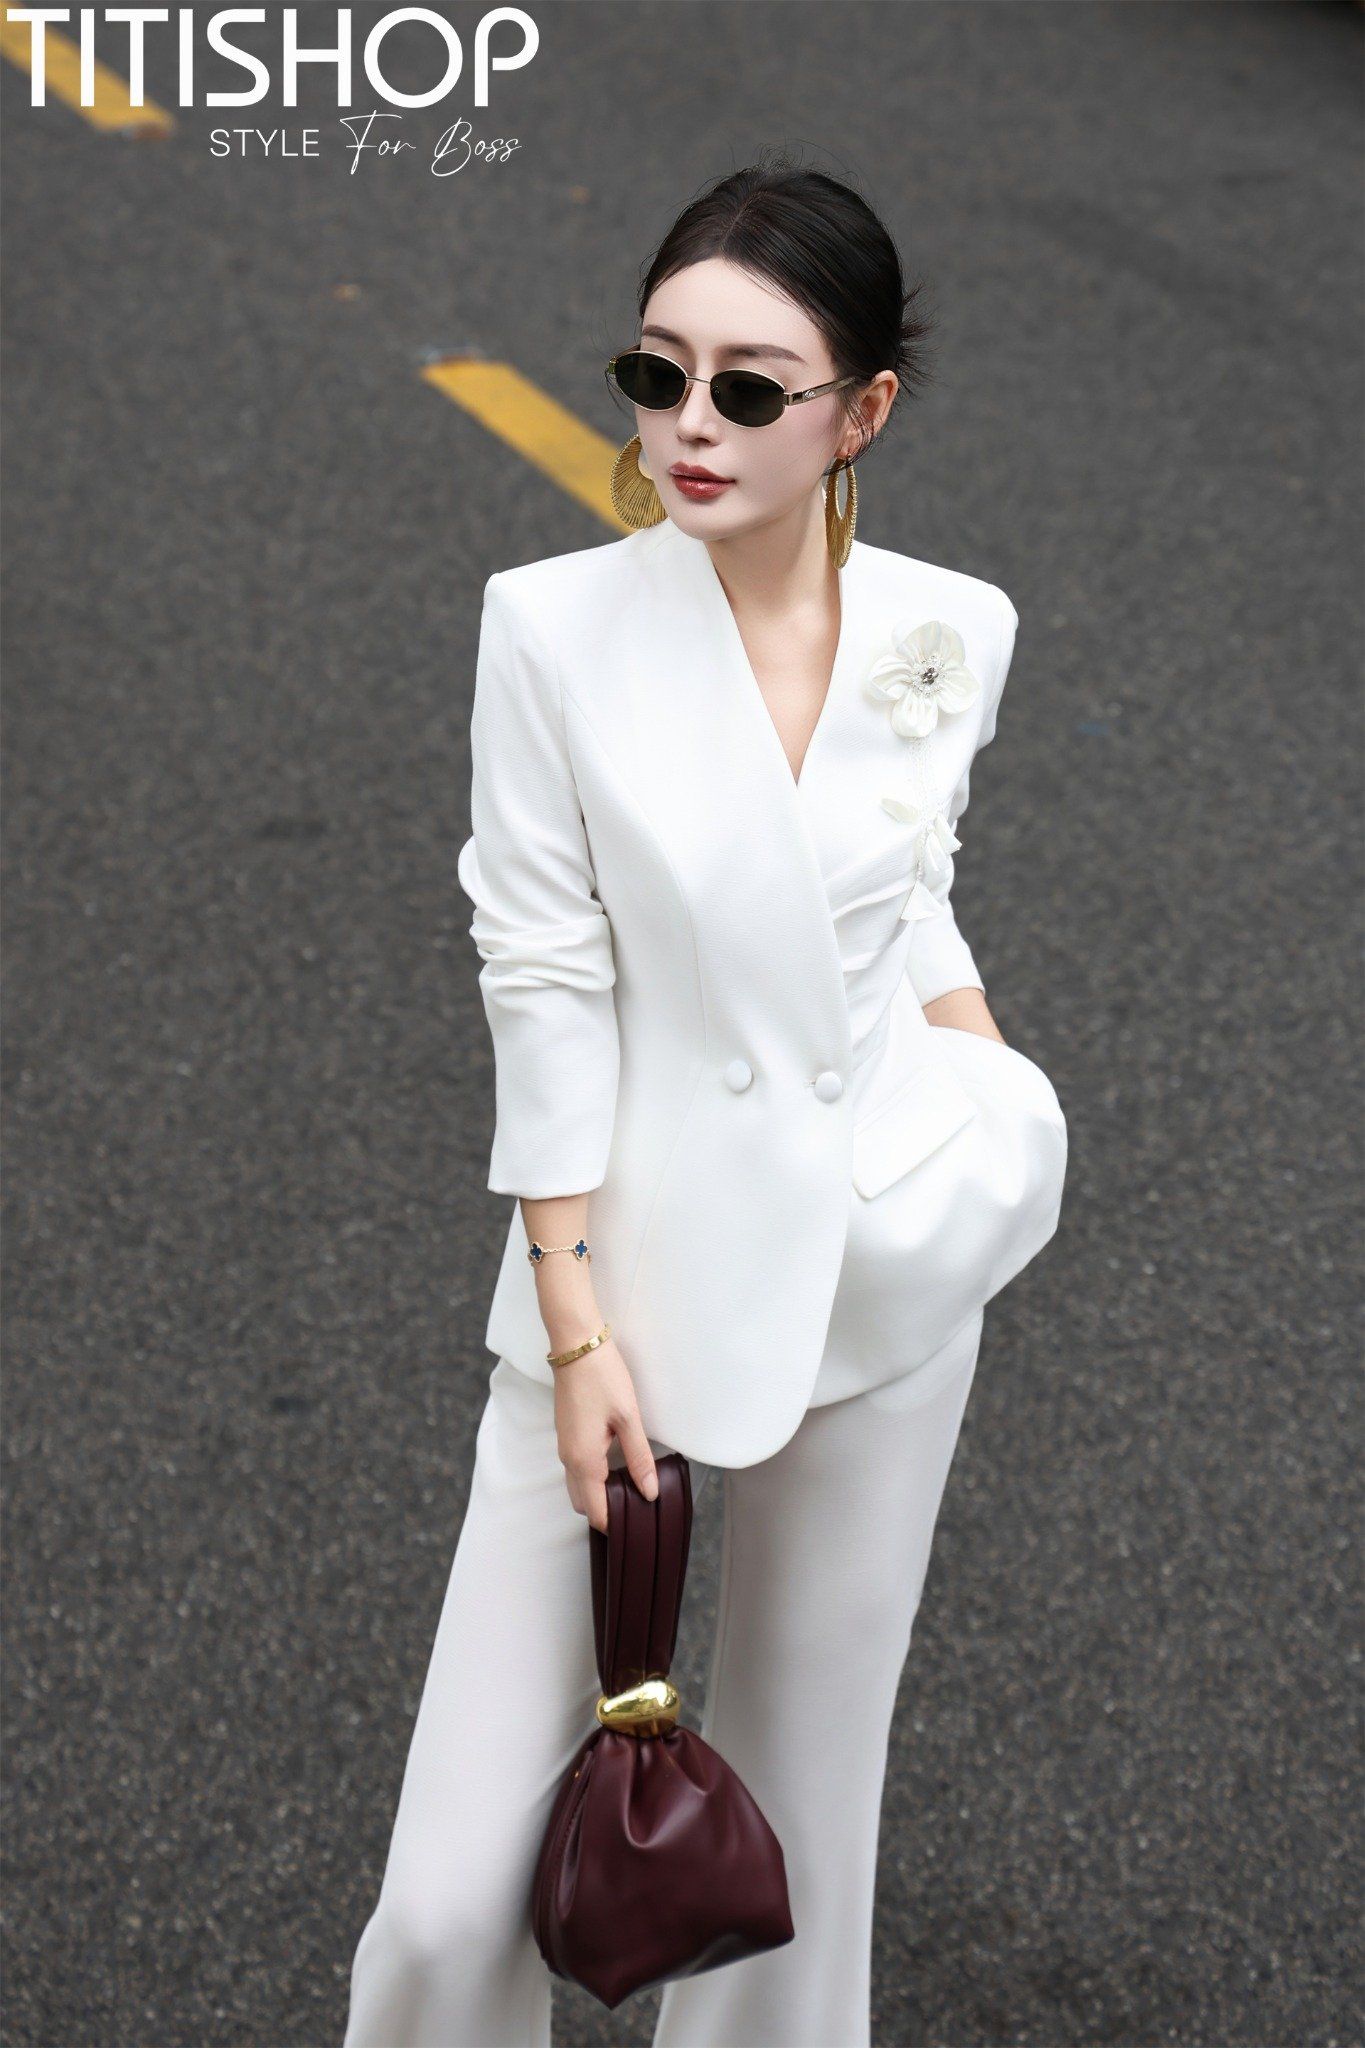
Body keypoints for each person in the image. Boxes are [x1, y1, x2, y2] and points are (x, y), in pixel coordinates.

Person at [343, 159, 1068, 2048]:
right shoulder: (550, 629)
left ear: (860, 413)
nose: (689, 426)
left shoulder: (950, 627)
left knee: (806, 1835)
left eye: (749, 388)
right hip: (624, 1288)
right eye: (655, 373)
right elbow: (541, 972)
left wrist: (982, 1077)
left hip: (882, 1254)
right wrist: (575, 1329)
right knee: (445, 1903)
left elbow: (901, 882)